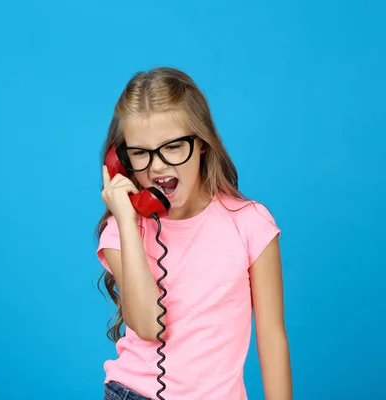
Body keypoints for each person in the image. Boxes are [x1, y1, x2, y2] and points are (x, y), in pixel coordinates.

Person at [96, 67, 292, 400]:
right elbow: (147, 326)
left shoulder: (250, 224)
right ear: (121, 161)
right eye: (140, 153)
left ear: (201, 143)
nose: (157, 166)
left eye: (172, 147)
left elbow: (272, 337)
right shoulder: (121, 232)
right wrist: (127, 221)